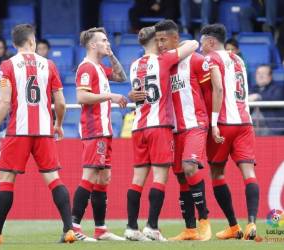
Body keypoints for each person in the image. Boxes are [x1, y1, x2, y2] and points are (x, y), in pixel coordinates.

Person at [0, 24, 76, 244]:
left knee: (6, 180)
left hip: (19, 131)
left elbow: (5, 101)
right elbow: (60, 102)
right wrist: (58, 124)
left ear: (14, 44)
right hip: (44, 131)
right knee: (54, 179)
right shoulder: (49, 64)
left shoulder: (8, 65)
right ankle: (69, 229)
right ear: (32, 41)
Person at [125, 26, 198, 241]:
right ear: (156, 42)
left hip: (138, 126)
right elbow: (194, 44)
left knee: (137, 179)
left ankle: (131, 227)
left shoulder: (134, 65)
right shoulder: (164, 60)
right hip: (159, 126)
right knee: (160, 177)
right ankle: (152, 226)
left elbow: (136, 93)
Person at [153, 19, 212, 241]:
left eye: (163, 39)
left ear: (175, 39)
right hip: (173, 129)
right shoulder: (162, 64)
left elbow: (209, 92)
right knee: (180, 176)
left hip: (195, 124)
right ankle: (189, 229)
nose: (159, 44)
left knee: (189, 167)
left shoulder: (195, 61)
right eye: (157, 40)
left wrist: (209, 122)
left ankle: (204, 220)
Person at [200, 23, 259, 240]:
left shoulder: (211, 58)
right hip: (245, 122)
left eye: (202, 42)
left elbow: (218, 88)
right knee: (249, 173)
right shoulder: (238, 59)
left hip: (224, 122)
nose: (200, 47)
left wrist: (213, 122)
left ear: (210, 41)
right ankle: (252, 222)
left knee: (217, 172)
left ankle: (234, 226)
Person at [72, 27, 128, 241]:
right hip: (94, 129)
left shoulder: (100, 68)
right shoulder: (86, 68)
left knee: (104, 177)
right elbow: (81, 97)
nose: (108, 43)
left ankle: (101, 229)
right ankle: (74, 228)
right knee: (90, 176)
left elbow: (121, 77)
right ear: (93, 45)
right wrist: (110, 96)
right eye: (104, 41)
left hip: (104, 130)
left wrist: (111, 55)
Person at [249, 64, 284, 135]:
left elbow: (275, 98)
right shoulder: (251, 89)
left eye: (263, 73)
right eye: (258, 73)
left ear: (270, 76)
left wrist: (258, 96)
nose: (260, 76)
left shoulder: (278, 88)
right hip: (252, 126)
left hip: (271, 126)